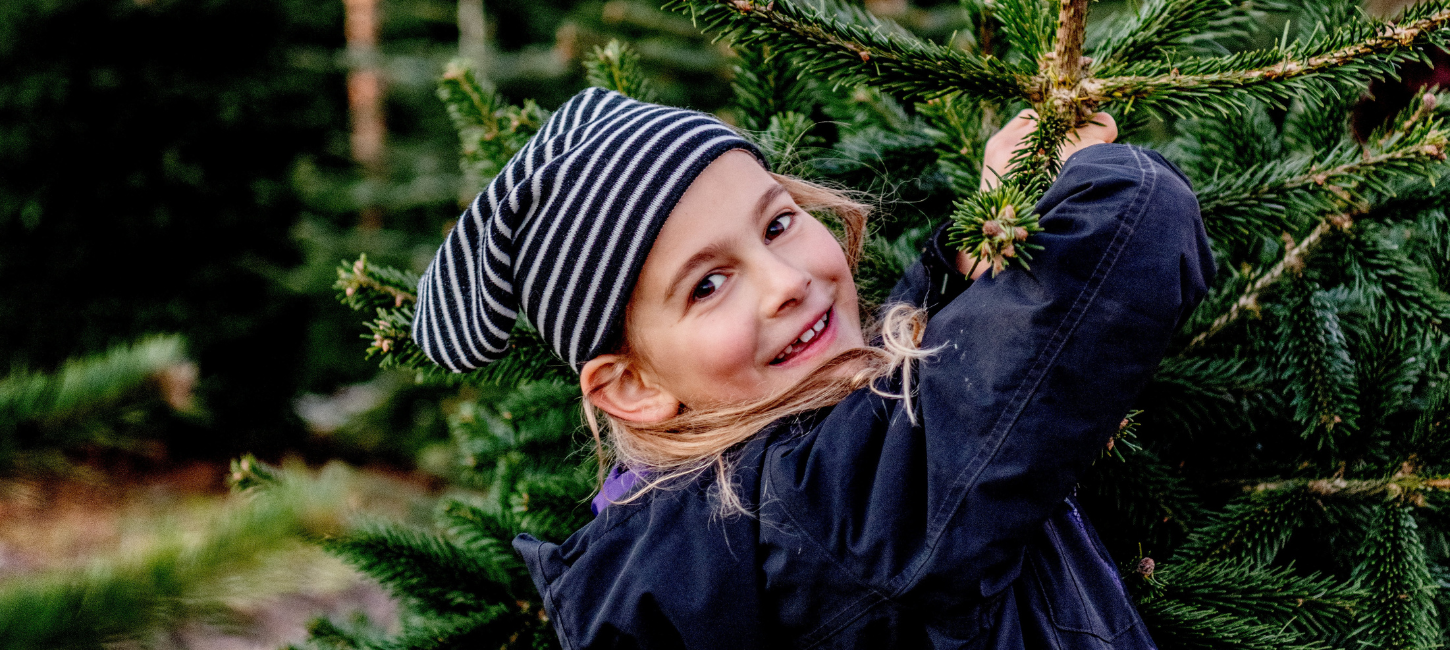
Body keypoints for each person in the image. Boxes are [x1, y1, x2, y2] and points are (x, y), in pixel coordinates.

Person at [413, 87, 1215, 649]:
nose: (787, 282)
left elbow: (885, 411)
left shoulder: (733, 533)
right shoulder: (804, 522)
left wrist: (975, 251)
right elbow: (1126, 239)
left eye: (779, 223)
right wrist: (1094, 182)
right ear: (633, 387)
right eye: (708, 284)